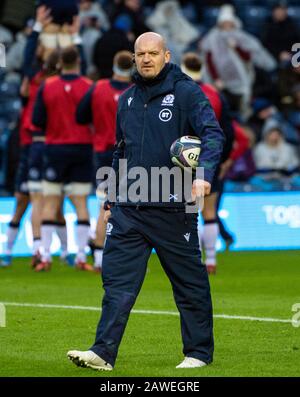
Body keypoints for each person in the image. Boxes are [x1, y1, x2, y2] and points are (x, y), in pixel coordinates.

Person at [67, 32, 225, 371]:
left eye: (153, 53)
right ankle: (103, 353)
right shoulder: (126, 100)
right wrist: (111, 195)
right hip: (129, 207)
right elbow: (120, 149)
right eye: (141, 54)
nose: (147, 59)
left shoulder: (186, 93)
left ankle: (198, 352)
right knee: (117, 283)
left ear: (167, 56)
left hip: (173, 207)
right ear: (134, 58)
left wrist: (205, 174)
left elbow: (213, 133)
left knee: (189, 283)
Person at [32, 46, 94, 272]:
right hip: (82, 148)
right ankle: (80, 257)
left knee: (50, 202)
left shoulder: (47, 86)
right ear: (78, 61)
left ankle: (46, 257)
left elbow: (37, 119)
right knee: (80, 202)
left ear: (60, 63)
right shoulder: (88, 86)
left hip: (54, 148)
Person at [76, 50, 133, 271]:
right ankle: (126, 257)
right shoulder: (136, 92)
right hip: (129, 154)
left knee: (105, 205)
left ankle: (100, 257)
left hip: (102, 153)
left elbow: (80, 116)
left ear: (113, 65)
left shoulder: (98, 88)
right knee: (129, 205)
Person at [181, 51, 234, 274]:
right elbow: (227, 131)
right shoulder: (215, 94)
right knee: (209, 210)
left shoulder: (179, 92)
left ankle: (189, 260)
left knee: (187, 211)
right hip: (211, 160)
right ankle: (211, 258)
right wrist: (223, 159)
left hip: (183, 160)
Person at [201, 4, 276, 118]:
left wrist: (236, 47)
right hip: (222, 82)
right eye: (224, 23)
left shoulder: (240, 36)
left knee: (244, 100)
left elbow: (248, 57)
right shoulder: (212, 38)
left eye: (228, 23)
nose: (226, 26)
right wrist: (216, 79)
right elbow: (209, 61)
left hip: (242, 78)